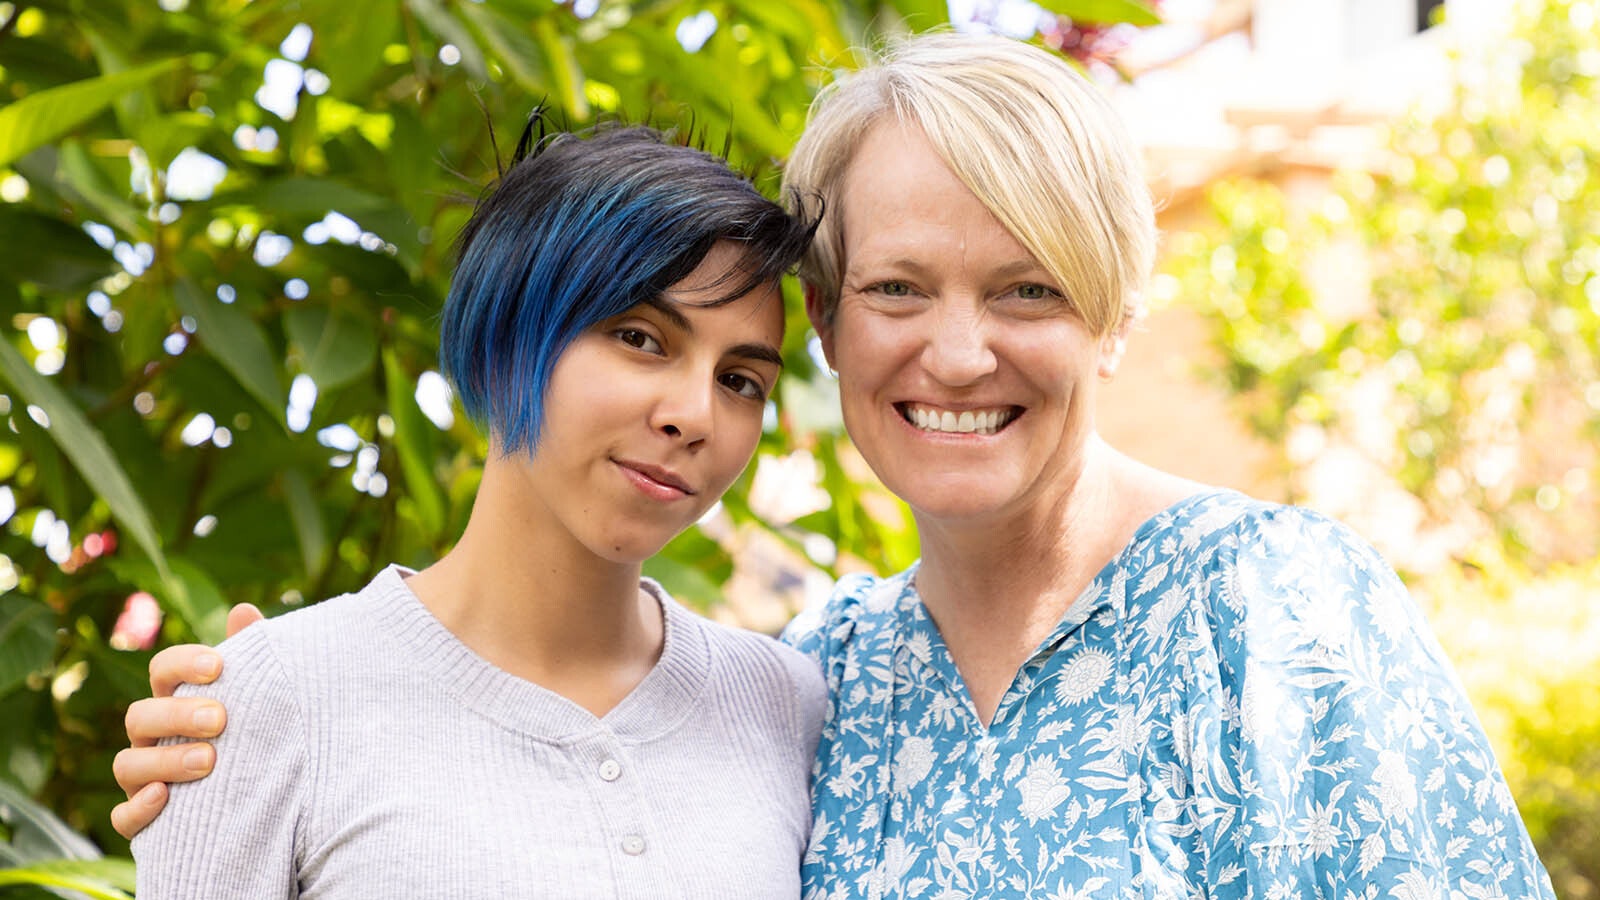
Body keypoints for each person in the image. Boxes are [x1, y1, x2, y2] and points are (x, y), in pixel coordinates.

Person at [115, 33, 1556, 899]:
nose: (961, 352)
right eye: (900, 289)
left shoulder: (1270, 613)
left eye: (1030, 291)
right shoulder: (831, 683)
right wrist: (253, 709)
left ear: (1113, 314)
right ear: (830, 322)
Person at [128, 121, 826, 898]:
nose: (694, 414)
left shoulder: (784, 705)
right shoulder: (274, 698)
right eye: (641, 337)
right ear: (504, 342)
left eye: (741, 381)